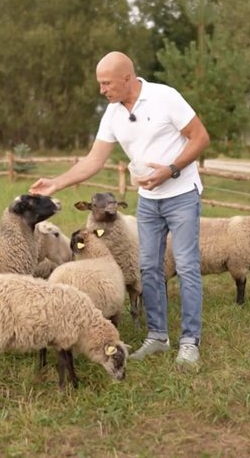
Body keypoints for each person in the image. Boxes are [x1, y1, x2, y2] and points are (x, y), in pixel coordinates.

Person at [29, 51, 210, 366]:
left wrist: (171, 168)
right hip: (149, 201)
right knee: (149, 269)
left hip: (181, 194)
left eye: (106, 83)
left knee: (186, 266)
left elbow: (200, 137)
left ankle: (190, 342)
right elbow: (93, 161)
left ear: (127, 78)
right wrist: (56, 184)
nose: (102, 90)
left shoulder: (165, 97)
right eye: (100, 84)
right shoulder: (112, 113)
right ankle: (157, 337)